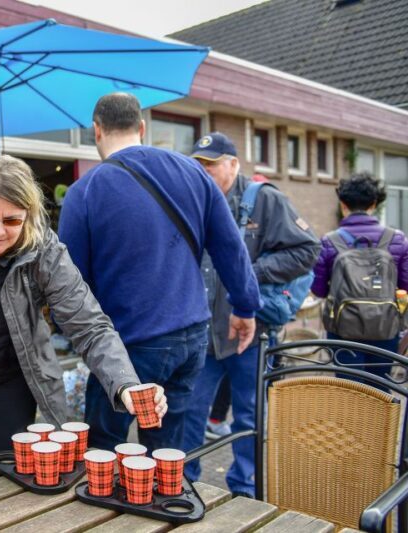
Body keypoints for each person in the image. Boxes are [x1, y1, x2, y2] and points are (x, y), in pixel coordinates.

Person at [0, 154, 167, 481]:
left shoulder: (45, 250)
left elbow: (91, 327)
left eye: (12, 221)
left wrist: (126, 385)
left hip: (12, 376)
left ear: (28, 213)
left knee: (11, 474)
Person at [58, 93, 261, 454]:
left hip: (127, 343)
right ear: (141, 127)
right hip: (192, 335)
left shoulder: (85, 191)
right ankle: (165, 505)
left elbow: (72, 283)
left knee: (105, 447)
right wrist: (245, 308)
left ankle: (109, 507)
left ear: (96, 130)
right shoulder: (195, 173)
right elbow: (231, 248)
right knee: (166, 450)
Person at [181, 132, 320, 499]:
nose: (204, 171)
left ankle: (245, 493)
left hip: (250, 334)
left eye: (211, 164)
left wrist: (247, 273)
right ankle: (185, 485)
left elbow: (308, 250)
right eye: (198, 164)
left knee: (250, 418)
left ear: (234, 164)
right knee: (189, 414)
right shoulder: (191, 203)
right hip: (203, 334)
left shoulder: (265, 200)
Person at [311, 172, 408, 381]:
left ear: (343, 204)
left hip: (343, 330)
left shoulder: (329, 241)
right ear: (374, 204)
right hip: (385, 327)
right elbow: (405, 285)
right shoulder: (397, 239)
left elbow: (318, 290)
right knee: (380, 388)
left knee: (349, 391)